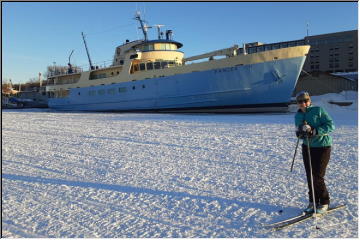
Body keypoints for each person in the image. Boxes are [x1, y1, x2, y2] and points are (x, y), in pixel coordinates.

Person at [294, 91, 335, 214]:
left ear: (309, 100)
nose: (303, 103)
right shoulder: (298, 115)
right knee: (309, 175)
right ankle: (313, 201)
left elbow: (331, 125)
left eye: (305, 100)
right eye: (300, 102)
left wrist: (314, 131)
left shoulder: (318, 110)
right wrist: (300, 133)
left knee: (317, 175)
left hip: (322, 146)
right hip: (307, 147)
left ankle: (324, 202)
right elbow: (299, 131)